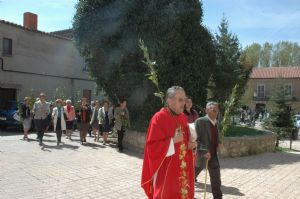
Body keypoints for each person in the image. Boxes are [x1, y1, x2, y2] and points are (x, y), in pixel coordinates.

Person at [141, 86, 196, 199]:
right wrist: (172, 141)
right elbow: (151, 147)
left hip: (182, 170)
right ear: (170, 101)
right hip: (167, 173)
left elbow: (183, 143)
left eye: (184, 100)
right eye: (180, 100)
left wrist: (190, 144)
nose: (184, 103)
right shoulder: (159, 118)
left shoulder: (183, 118)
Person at [195, 101, 223, 199]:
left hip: (213, 155)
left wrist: (219, 142)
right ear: (206, 110)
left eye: (216, 108)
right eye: (211, 107)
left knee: (216, 179)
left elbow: (216, 136)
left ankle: (218, 197)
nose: (214, 109)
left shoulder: (216, 122)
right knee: (190, 177)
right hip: (202, 156)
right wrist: (204, 151)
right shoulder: (200, 121)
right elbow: (196, 139)